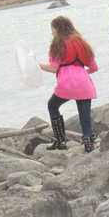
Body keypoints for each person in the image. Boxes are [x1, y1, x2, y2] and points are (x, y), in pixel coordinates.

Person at [39, 16, 98, 153]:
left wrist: (38, 66)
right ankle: (88, 143)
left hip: (66, 84)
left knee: (52, 105)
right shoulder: (82, 43)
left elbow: (54, 68)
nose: (51, 32)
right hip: (83, 82)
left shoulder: (57, 45)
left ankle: (60, 140)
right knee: (84, 114)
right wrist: (81, 73)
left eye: (52, 29)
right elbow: (94, 67)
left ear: (58, 29)